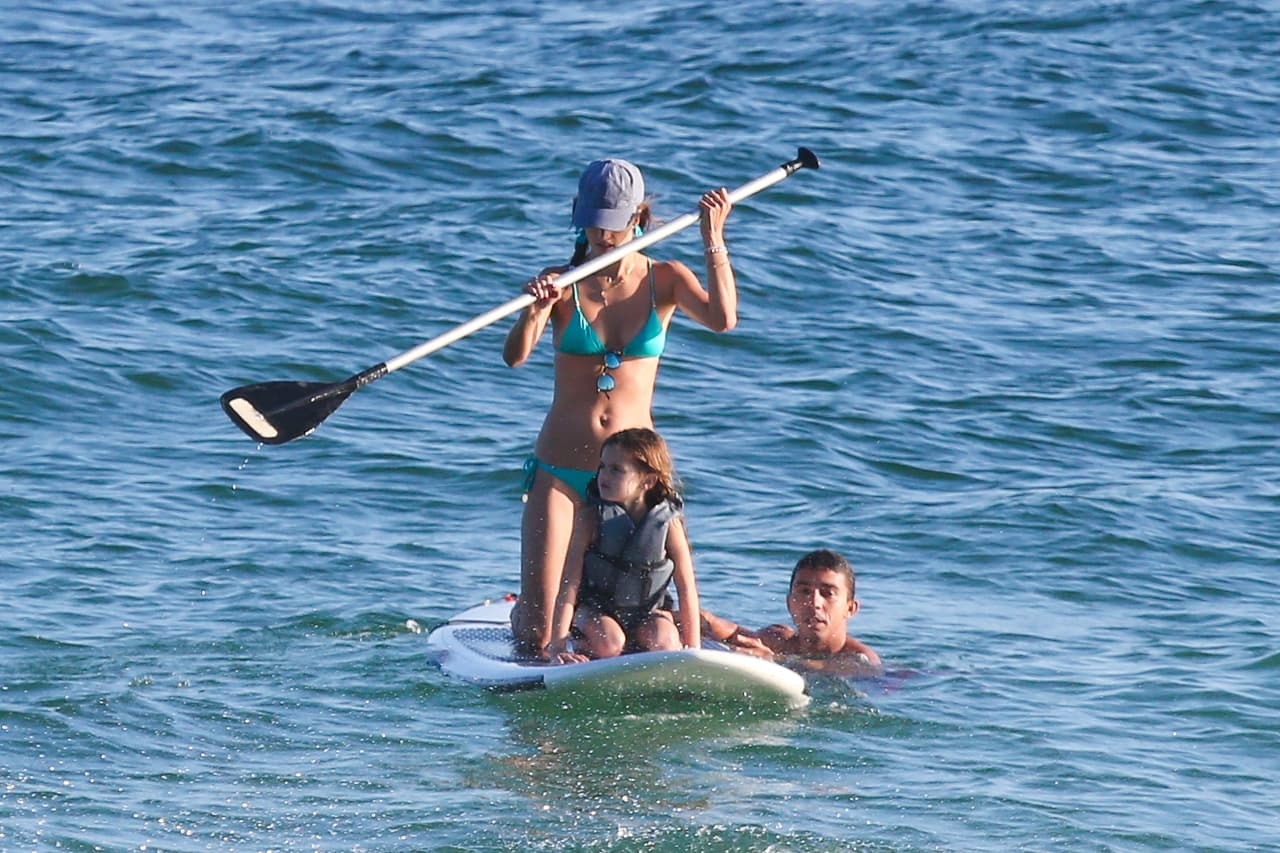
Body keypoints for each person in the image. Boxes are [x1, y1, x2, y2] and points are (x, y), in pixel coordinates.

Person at [503, 157, 737, 655]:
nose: (600, 235)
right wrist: (536, 310)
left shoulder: (666, 279)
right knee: (536, 635)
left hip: (635, 479)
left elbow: (723, 319)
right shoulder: (560, 282)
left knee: (635, 616)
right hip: (560, 470)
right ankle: (524, 611)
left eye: (611, 225)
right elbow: (515, 356)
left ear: (638, 219)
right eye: (590, 223)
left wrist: (713, 240)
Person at [546, 428, 700, 661]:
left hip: (647, 612)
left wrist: (693, 650)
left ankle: (643, 653)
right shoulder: (590, 519)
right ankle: (581, 646)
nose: (603, 475)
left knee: (665, 642)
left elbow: (686, 588)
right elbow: (570, 584)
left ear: (648, 481)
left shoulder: (669, 524)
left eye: (616, 469)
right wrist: (557, 647)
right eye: (602, 467)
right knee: (610, 643)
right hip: (595, 612)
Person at [701, 549, 881, 674]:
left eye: (827, 593)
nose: (814, 603)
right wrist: (704, 620)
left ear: (850, 608)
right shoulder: (779, 641)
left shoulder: (860, 660)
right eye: (804, 592)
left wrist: (775, 660)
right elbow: (734, 633)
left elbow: (841, 670)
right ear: (789, 603)